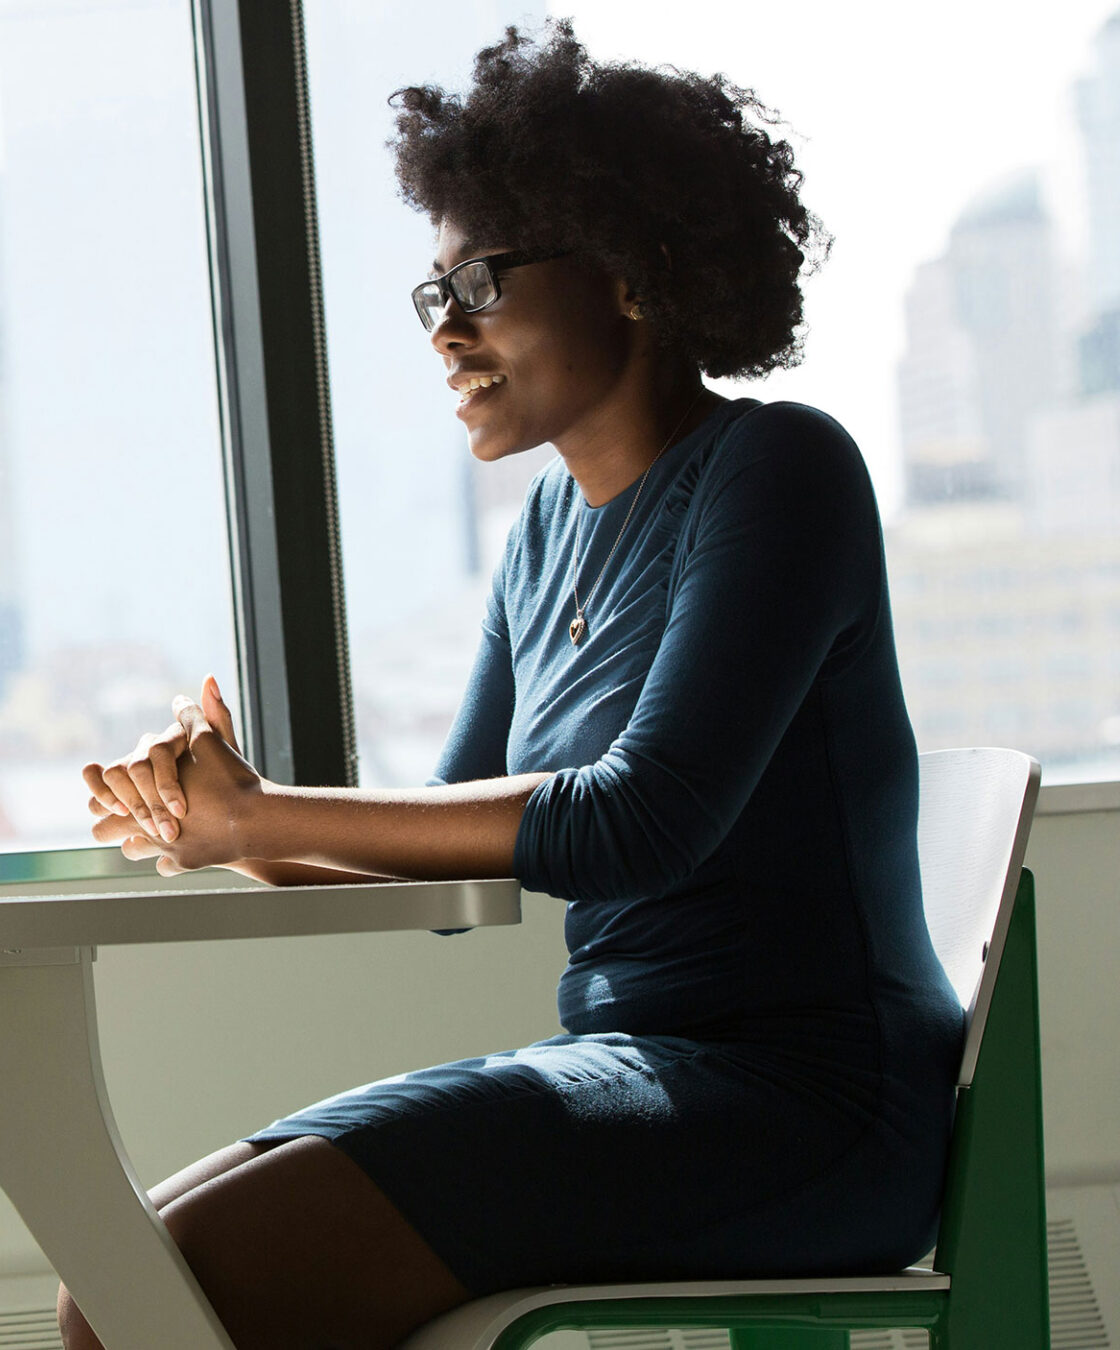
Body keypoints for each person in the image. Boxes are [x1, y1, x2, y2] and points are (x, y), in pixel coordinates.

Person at [72, 23, 962, 1350]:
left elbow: (636, 822)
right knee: (119, 1294)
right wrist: (230, 833)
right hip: (629, 1072)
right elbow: (456, 877)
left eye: (478, 283)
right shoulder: (542, 536)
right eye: (431, 298)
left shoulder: (780, 472)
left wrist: (273, 816)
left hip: (807, 1103)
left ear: (630, 269)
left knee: (187, 1297)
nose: (447, 333)